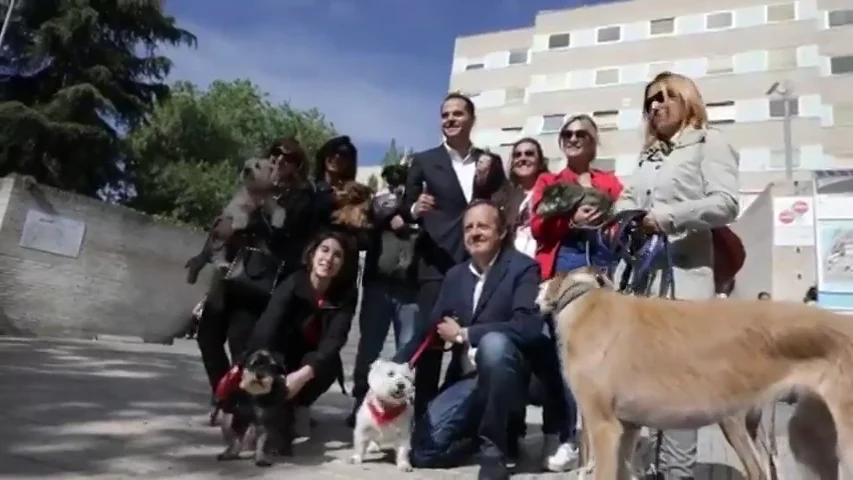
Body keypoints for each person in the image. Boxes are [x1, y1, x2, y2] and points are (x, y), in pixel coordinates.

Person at [614, 71, 740, 479]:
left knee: (678, 388)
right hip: (639, 284)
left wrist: (668, 218)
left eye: (666, 97)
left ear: (688, 100)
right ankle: (648, 468)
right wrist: (622, 218)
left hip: (685, 282)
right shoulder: (647, 157)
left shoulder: (710, 143)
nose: (655, 106)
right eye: (649, 101)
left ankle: (678, 474)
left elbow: (725, 203)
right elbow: (628, 200)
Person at [394, 200, 543, 480]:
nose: (474, 233)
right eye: (468, 227)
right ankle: (477, 437)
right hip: (468, 380)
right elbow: (432, 328)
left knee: (494, 345)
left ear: (501, 233)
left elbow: (529, 326)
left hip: (510, 375)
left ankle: (493, 451)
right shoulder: (455, 275)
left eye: (482, 226)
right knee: (421, 452)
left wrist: (464, 334)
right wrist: (390, 370)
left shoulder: (523, 269)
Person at [528, 114, 624, 472]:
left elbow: (622, 221)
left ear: (594, 140)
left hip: (604, 268)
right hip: (564, 268)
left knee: (605, 358)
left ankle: (602, 436)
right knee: (569, 359)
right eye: (566, 133)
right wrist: (570, 220)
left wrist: (605, 225)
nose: (572, 138)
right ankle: (568, 437)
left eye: (581, 133)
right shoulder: (549, 181)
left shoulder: (610, 182)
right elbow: (537, 225)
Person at [402, 92, 507, 415]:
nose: (450, 120)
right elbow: (407, 206)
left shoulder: (490, 163)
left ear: (471, 119)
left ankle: (464, 413)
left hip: (478, 263)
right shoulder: (423, 160)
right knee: (431, 343)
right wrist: (414, 208)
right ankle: (423, 418)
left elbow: (500, 206)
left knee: (474, 343)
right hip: (435, 262)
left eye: (457, 114)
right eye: (445, 114)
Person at [196, 137, 317, 402]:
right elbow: (226, 220)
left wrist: (259, 211)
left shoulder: (302, 196)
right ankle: (226, 397)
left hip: (258, 281)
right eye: (275, 153)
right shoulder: (253, 183)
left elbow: (285, 234)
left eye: (288, 157)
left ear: (297, 165)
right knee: (207, 335)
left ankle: (245, 406)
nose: (279, 159)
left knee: (242, 345)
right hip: (229, 273)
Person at [243, 231, 359, 437]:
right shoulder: (294, 281)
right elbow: (268, 324)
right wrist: (261, 363)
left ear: (344, 264)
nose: (328, 259)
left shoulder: (346, 295)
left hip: (312, 358)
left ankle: (301, 405)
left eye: (337, 255)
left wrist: (304, 374)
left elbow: (336, 337)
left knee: (329, 362)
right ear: (312, 254)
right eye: (324, 250)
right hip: (283, 351)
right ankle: (272, 406)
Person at [348, 164, 419, 425]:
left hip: (411, 288)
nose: (395, 184)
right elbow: (365, 226)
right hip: (378, 284)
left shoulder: (418, 205)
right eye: (390, 179)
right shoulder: (377, 203)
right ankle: (360, 401)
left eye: (400, 179)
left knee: (408, 352)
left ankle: (403, 408)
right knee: (369, 347)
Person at [494, 138, 549, 259]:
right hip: (512, 263)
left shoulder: (551, 191)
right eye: (517, 155)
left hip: (544, 260)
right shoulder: (501, 197)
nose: (523, 159)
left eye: (529, 154)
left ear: (540, 162)